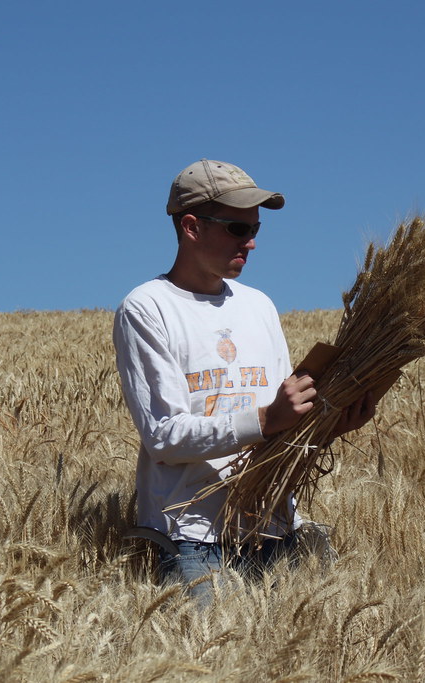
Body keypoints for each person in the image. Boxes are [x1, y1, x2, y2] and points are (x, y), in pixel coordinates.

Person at [113, 159, 375, 604]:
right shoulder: (147, 309)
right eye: (237, 228)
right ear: (191, 226)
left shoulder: (259, 306)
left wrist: (331, 424)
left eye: (255, 229)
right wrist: (266, 418)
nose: (251, 242)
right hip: (194, 541)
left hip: (275, 532)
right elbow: (164, 436)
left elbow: (283, 423)